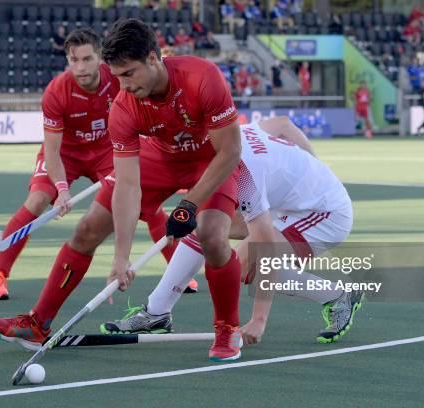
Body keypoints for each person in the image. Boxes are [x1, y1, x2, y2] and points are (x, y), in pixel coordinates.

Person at [0, 19, 243, 362]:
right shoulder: (124, 106)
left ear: (153, 58)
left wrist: (189, 204)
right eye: (118, 75)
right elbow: (127, 184)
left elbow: (230, 152)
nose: (122, 84)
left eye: (129, 73)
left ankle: (227, 327)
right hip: (160, 157)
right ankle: (38, 323)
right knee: (87, 228)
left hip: (210, 160)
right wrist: (121, 257)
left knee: (212, 235)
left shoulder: (202, 78)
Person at [101, 117, 363, 346]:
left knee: (248, 264)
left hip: (324, 213)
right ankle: (156, 312)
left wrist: (258, 321)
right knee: (203, 229)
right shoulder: (236, 132)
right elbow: (283, 123)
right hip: (289, 202)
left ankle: (337, 295)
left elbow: (266, 247)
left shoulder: (247, 170)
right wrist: (314, 166)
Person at [0, 28, 188, 300]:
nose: (80, 67)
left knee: (147, 205)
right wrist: (61, 188)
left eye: (87, 59)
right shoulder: (56, 92)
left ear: (100, 57)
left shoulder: (117, 80)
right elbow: (52, 151)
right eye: (73, 60)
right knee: (36, 201)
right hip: (66, 153)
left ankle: (178, 275)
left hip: (106, 150)